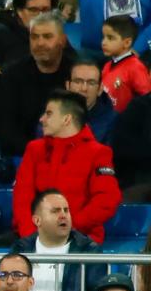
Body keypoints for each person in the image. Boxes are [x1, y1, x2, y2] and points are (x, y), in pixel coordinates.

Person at [12, 90, 121, 243]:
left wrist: (67, 229)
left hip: (81, 241)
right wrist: (32, 237)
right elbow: (22, 198)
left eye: (49, 114)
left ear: (66, 119)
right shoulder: (34, 150)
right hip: (34, 239)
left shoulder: (98, 153)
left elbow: (106, 200)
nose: (42, 119)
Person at [13, 189, 107, 291]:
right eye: (55, 211)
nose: (63, 215)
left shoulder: (88, 251)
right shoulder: (20, 250)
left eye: (66, 210)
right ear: (37, 220)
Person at [0, 13, 78, 158]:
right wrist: (39, 153)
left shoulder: (76, 72)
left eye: (47, 37)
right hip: (24, 155)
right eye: (34, 37)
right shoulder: (12, 75)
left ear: (62, 41)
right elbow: (5, 129)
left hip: (69, 154)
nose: (40, 43)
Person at [100, 14, 151, 112]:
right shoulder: (107, 66)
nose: (103, 42)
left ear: (127, 42)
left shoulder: (136, 67)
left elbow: (147, 99)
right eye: (104, 37)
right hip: (108, 120)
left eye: (110, 38)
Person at [67, 58, 118, 145]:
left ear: (100, 89)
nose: (84, 88)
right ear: (68, 86)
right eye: (78, 81)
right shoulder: (52, 114)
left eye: (91, 83)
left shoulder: (114, 122)